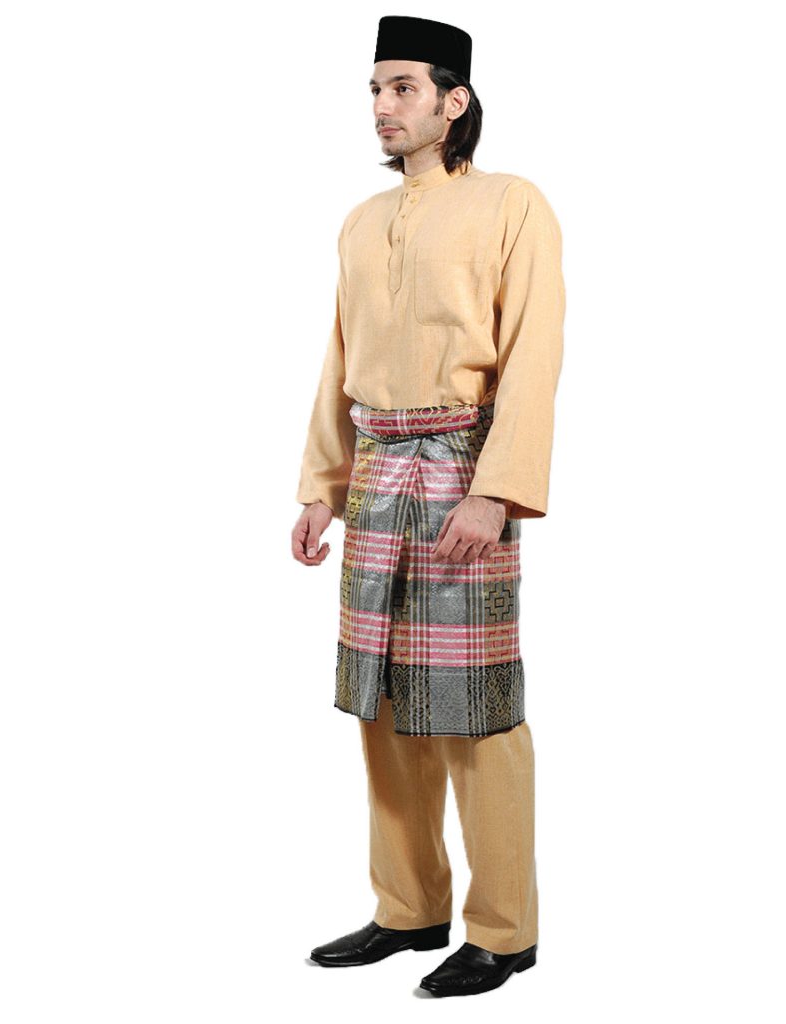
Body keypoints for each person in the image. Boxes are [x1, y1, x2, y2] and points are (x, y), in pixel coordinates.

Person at [292, 15, 565, 997]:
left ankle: (504, 928)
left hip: (461, 469)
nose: (383, 105)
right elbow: (339, 356)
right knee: (381, 702)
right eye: (375, 89)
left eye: (402, 87)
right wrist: (320, 486)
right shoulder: (360, 222)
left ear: (455, 101)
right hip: (375, 473)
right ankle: (407, 907)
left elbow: (533, 351)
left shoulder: (511, 204)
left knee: (474, 708)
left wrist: (497, 491)